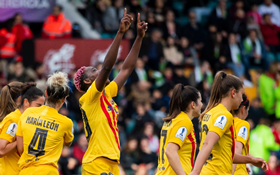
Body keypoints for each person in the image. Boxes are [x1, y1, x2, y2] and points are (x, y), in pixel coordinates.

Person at [73, 9, 147, 174]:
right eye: (94, 70)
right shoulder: (89, 97)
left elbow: (127, 69)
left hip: (111, 162)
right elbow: (107, 67)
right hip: (96, 162)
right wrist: (120, 33)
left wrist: (139, 38)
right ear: (87, 81)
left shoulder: (107, 93)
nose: (98, 70)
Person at [190, 71, 268, 175]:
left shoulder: (210, 112)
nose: (242, 99)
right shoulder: (224, 116)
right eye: (242, 94)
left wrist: (251, 160)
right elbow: (208, 143)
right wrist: (195, 172)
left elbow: (226, 154)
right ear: (233, 93)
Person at [16, 72, 74, 175]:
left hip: (26, 171)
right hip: (48, 171)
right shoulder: (66, 122)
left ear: (46, 93)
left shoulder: (27, 113)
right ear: (64, 99)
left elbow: (20, 148)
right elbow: (68, 143)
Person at [156, 84, 203, 175]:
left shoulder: (171, 120)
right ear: (193, 104)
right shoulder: (184, 121)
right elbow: (170, 151)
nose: (202, 104)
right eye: (200, 101)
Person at [0, 82, 44, 175]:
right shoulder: (13, 119)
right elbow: (1, 150)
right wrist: (22, 139)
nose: (41, 109)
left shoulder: (27, 120)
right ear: (25, 101)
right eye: (38, 105)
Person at [232, 94, 250, 174]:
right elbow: (237, 147)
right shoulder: (243, 124)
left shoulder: (227, 122)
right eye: (248, 110)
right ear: (243, 109)